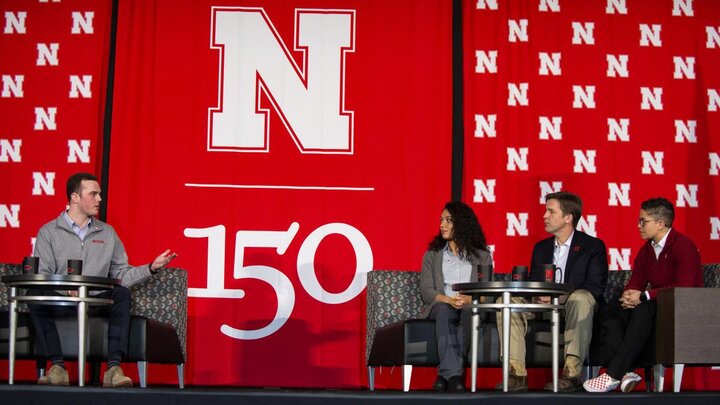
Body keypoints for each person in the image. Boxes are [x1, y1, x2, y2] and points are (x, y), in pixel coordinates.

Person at [29, 172, 178, 387]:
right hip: (63, 301)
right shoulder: (49, 232)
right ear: (75, 197)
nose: (99, 199)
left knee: (122, 294)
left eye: (99, 194)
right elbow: (43, 273)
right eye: (93, 194)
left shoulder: (107, 233)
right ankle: (58, 366)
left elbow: (122, 275)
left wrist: (151, 268)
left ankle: (114, 369)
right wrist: (64, 288)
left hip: (96, 300)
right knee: (35, 294)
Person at [583, 197, 702, 393]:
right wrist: (628, 295)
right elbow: (636, 281)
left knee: (643, 308)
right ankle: (627, 372)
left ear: (660, 223)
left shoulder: (683, 247)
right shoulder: (647, 250)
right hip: (656, 303)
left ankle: (613, 374)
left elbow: (684, 288)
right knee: (610, 309)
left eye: (643, 221)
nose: (638, 225)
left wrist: (645, 296)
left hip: (681, 308)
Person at [496, 191, 608, 392]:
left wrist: (560, 297)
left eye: (550, 211)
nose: (544, 216)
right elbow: (533, 282)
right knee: (506, 302)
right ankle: (516, 374)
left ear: (568, 218)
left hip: (573, 306)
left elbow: (595, 287)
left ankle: (572, 374)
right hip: (543, 306)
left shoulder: (592, 246)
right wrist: (536, 295)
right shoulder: (540, 248)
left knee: (582, 297)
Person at [419, 201, 493, 392]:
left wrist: (470, 299)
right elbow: (426, 291)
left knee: (471, 311)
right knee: (444, 310)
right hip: (443, 304)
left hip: (470, 305)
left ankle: (445, 376)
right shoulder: (432, 254)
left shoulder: (482, 256)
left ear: (462, 224)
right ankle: (454, 376)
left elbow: (486, 292)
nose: (442, 225)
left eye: (448, 220)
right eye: (441, 220)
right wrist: (449, 300)